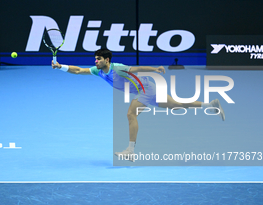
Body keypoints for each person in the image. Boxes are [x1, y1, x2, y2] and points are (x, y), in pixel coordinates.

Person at [52, 48, 225, 161]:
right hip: (147, 89)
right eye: (95, 59)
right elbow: (79, 70)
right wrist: (60, 67)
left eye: (98, 59)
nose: (95, 61)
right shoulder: (98, 70)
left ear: (107, 59)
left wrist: (155, 69)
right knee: (176, 105)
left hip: (146, 89)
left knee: (130, 114)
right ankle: (211, 105)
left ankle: (130, 151)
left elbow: (136, 69)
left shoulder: (117, 68)